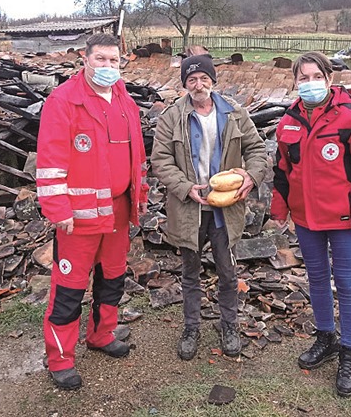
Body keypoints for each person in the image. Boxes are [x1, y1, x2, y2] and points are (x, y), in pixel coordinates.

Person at [36, 33, 149, 390]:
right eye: (100, 59)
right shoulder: (64, 101)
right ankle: (60, 358)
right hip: (78, 218)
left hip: (118, 211)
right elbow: (50, 160)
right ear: (84, 60)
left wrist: (138, 198)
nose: (107, 67)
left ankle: (102, 335)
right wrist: (57, 208)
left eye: (114, 61)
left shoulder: (123, 100)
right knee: (69, 289)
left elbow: (136, 157)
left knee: (112, 278)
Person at [270, 51, 351, 397]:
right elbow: (282, 172)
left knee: (348, 284)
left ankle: (349, 352)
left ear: (329, 79)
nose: (309, 84)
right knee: (317, 279)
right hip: (306, 219)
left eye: (315, 77)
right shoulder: (287, 120)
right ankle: (326, 338)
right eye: (302, 78)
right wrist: (280, 210)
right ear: (294, 82)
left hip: (346, 220)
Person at [150, 54, 267, 360]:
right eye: (191, 80)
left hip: (225, 209)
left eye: (204, 79)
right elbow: (160, 160)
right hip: (189, 208)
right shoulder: (171, 116)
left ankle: (229, 326)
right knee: (190, 272)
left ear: (214, 81)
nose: (198, 85)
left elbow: (256, 149)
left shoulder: (235, 113)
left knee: (227, 272)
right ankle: (191, 327)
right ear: (185, 85)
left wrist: (251, 176)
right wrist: (185, 187)